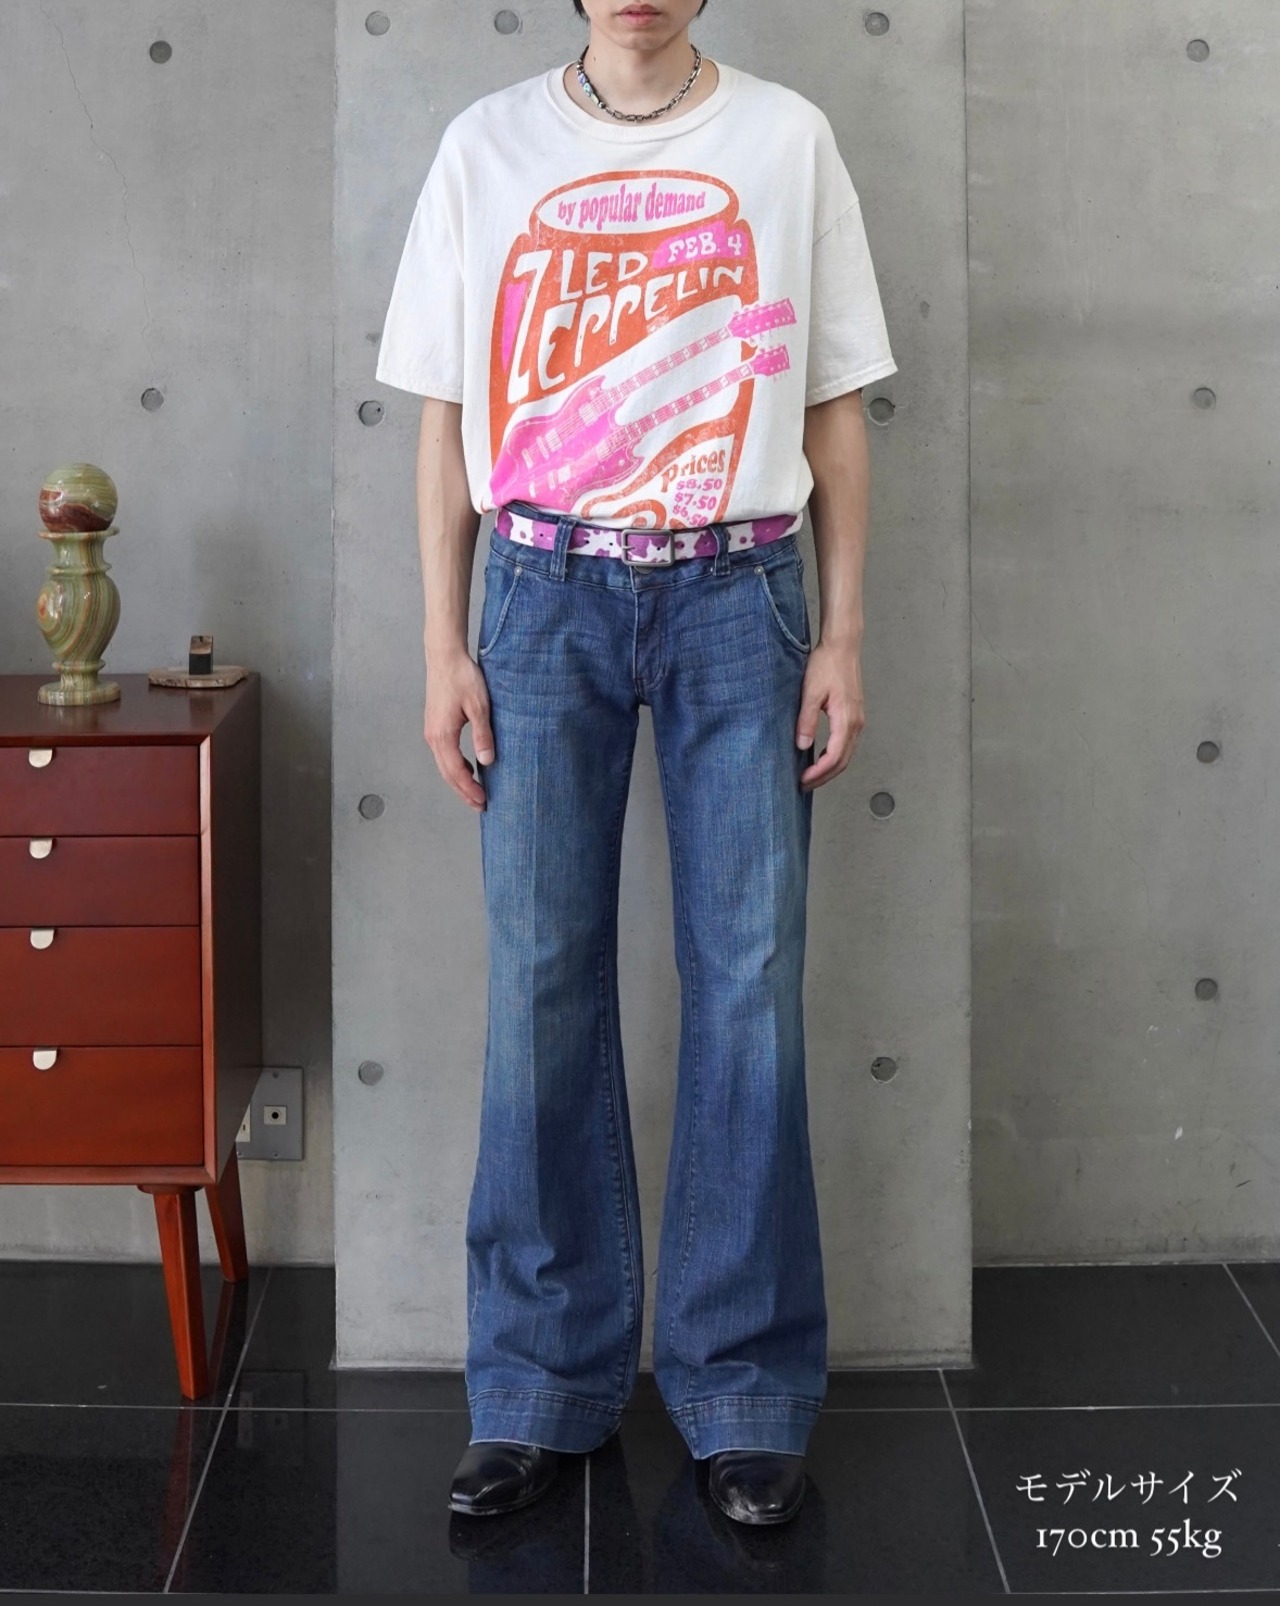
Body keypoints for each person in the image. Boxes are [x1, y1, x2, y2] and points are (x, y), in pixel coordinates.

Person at [374, 0, 897, 1528]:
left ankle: (744, 1392)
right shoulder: (487, 146)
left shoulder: (786, 139)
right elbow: (445, 418)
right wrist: (443, 643)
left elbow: (834, 405)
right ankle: (537, 1383)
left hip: (742, 592)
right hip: (541, 594)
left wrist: (843, 632)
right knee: (540, 975)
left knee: (749, 980)